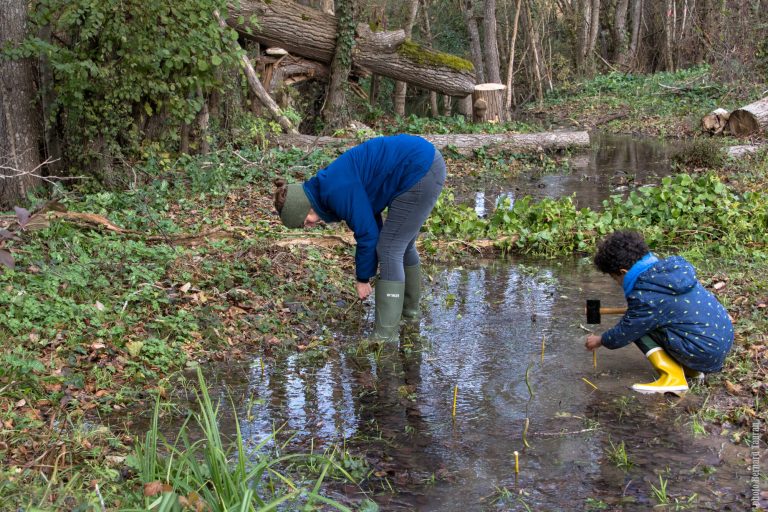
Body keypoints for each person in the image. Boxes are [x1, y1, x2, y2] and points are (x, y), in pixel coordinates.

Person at [273, 134, 446, 341]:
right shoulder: (328, 187)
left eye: (304, 220)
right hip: (422, 163)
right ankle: (409, 315)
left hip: (419, 170)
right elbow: (369, 216)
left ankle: (385, 336)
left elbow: (367, 234)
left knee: (390, 248)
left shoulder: (336, 190)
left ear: (303, 206)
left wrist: (363, 279)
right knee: (402, 244)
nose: (309, 225)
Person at [584, 230, 733, 394]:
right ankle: (690, 371)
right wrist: (636, 311)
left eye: (615, 278)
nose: (617, 283)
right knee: (644, 320)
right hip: (718, 344)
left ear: (623, 272)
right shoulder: (668, 273)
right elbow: (672, 308)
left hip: (702, 353)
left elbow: (625, 332)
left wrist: (600, 340)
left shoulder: (646, 296)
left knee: (637, 328)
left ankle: (673, 377)